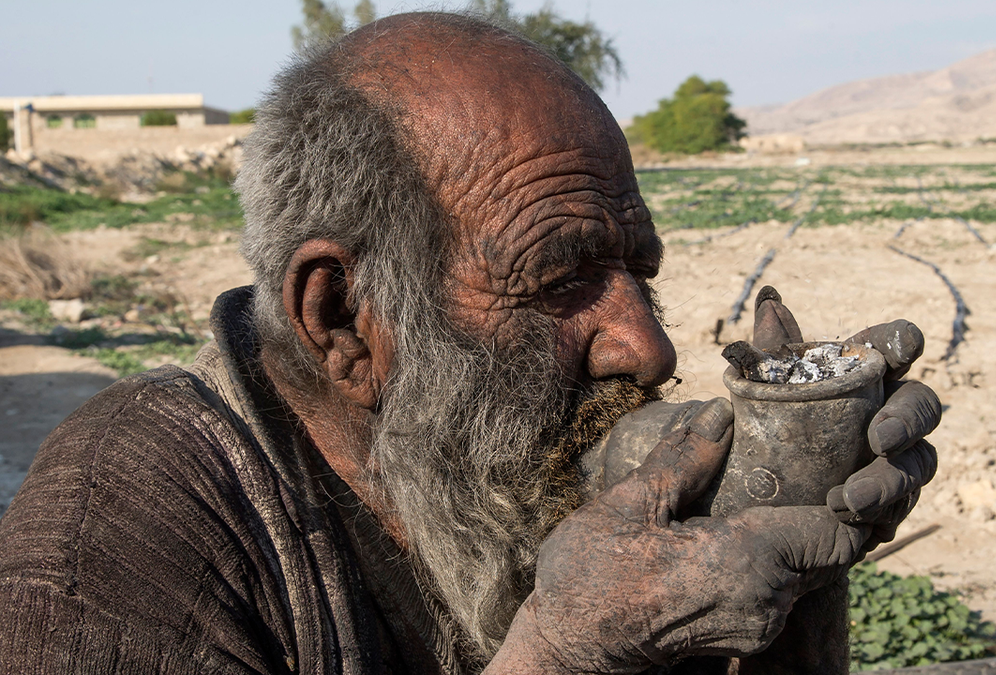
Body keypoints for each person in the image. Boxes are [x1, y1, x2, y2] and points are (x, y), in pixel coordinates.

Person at [0, 12, 939, 674]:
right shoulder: (109, 550)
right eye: (557, 280)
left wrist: (798, 528)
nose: (647, 349)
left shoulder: (485, 463)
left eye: (638, 272)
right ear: (344, 322)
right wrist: (566, 656)